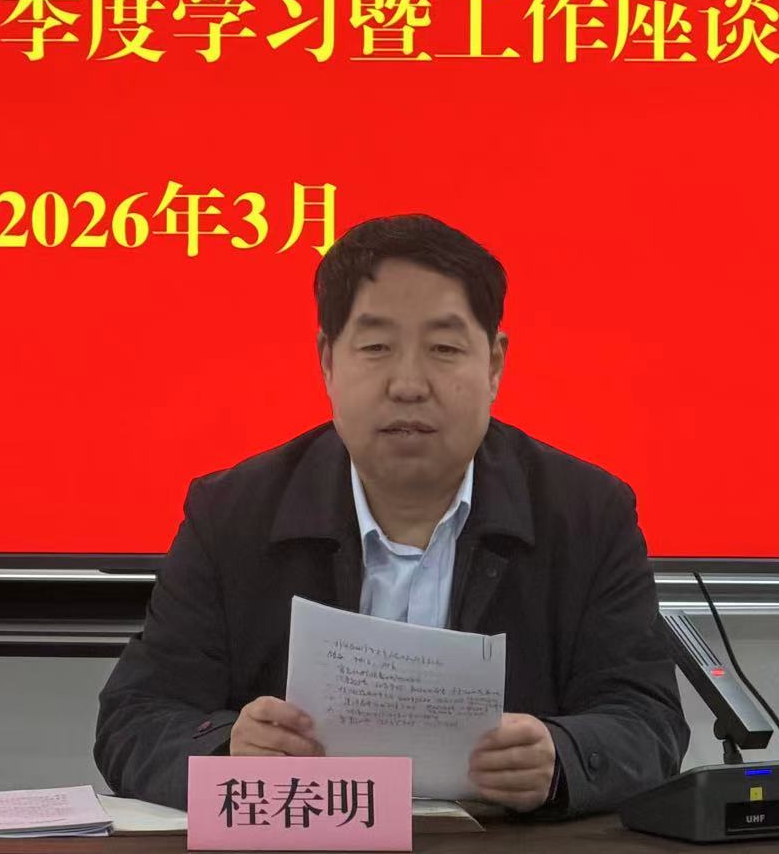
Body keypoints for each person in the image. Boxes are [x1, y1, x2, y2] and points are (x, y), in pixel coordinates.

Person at [94, 213, 688, 817]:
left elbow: (648, 722)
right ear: (328, 360)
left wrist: (560, 756)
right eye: (377, 348)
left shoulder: (587, 514)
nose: (408, 384)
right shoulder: (233, 514)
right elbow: (135, 719)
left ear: (494, 365)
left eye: (444, 349)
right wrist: (229, 752)